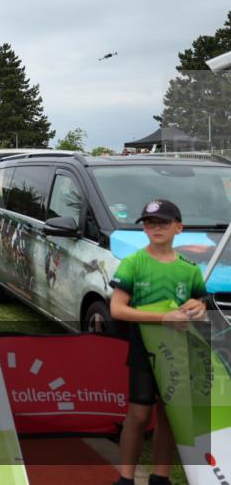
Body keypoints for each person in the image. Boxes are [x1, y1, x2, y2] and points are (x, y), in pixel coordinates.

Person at [109, 199, 207, 485]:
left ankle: (160, 478)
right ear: (144, 228)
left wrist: (198, 307)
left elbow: (197, 303)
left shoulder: (190, 269)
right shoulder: (133, 263)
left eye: (163, 222)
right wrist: (162, 319)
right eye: (150, 223)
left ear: (179, 228)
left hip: (177, 351)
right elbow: (117, 309)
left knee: (169, 416)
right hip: (144, 349)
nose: (156, 227)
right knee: (139, 415)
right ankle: (126, 478)